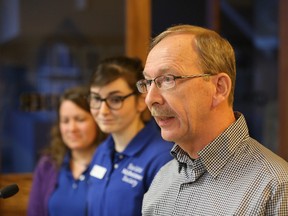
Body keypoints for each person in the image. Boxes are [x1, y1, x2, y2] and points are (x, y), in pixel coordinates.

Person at [135, 24, 288, 215]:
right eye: (148, 82)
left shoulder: (275, 186)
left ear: (219, 88)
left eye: (167, 79)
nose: (150, 98)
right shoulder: (163, 179)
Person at [86, 56, 173, 216]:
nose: (103, 110)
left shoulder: (162, 158)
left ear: (141, 101)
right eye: (97, 99)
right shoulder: (102, 151)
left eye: (115, 99)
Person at [27, 86, 107, 216]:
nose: (72, 128)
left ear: (97, 121)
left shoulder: (111, 164)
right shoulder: (48, 165)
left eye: (80, 119)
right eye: (65, 121)